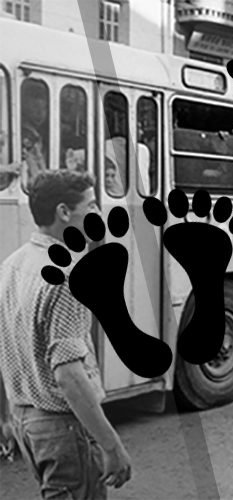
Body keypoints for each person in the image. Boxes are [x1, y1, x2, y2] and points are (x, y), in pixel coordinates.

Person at [0, 170, 132, 498]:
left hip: (25, 421)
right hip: (63, 428)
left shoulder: (12, 265)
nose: (98, 213)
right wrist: (111, 445)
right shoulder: (67, 276)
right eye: (91, 206)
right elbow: (69, 376)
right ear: (63, 212)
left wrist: (5, 418)